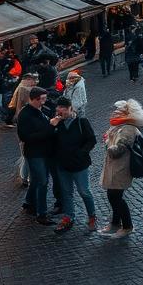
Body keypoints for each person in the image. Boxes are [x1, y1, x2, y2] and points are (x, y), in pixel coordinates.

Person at [49, 96, 98, 234]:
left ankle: (92, 215)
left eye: (62, 110)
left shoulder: (82, 122)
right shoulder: (57, 123)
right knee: (66, 192)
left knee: (84, 191)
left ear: (70, 108)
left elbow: (91, 140)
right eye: (58, 110)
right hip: (62, 164)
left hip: (79, 164)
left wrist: (81, 153)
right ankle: (69, 216)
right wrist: (52, 127)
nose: (60, 113)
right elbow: (50, 141)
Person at [100, 99, 143, 238]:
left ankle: (127, 226)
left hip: (121, 168)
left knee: (115, 197)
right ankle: (115, 223)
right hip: (115, 167)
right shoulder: (120, 126)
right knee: (114, 196)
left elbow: (117, 150)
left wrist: (108, 142)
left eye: (117, 111)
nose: (114, 113)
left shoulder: (128, 129)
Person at [16, 86, 58, 225]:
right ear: (35, 99)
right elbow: (26, 137)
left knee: (37, 180)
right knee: (42, 182)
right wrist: (50, 127)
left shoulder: (41, 110)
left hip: (44, 152)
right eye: (43, 99)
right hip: (35, 154)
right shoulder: (25, 115)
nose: (45, 102)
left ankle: (29, 203)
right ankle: (41, 214)